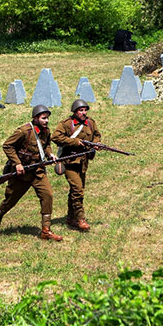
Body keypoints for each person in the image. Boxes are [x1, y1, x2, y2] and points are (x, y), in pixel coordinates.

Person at [0, 105, 62, 241]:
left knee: (48, 195)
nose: (46, 121)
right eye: (43, 118)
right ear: (35, 118)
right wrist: (17, 163)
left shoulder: (46, 131)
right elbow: (7, 145)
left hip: (38, 171)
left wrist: (50, 154)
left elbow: (45, 145)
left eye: (47, 118)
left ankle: (46, 230)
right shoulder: (24, 131)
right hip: (22, 173)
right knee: (10, 200)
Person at [51, 99, 102, 232]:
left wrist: (96, 143)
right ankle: (81, 219)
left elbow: (97, 135)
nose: (84, 113)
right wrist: (74, 142)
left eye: (85, 110)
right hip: (69, 162)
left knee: (76, 191)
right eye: (81, 110)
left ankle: (70, 218)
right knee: (78, 190)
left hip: (83, 162)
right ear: (75, 111)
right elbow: (56, 137)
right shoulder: (67, 124)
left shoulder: (90, 122)